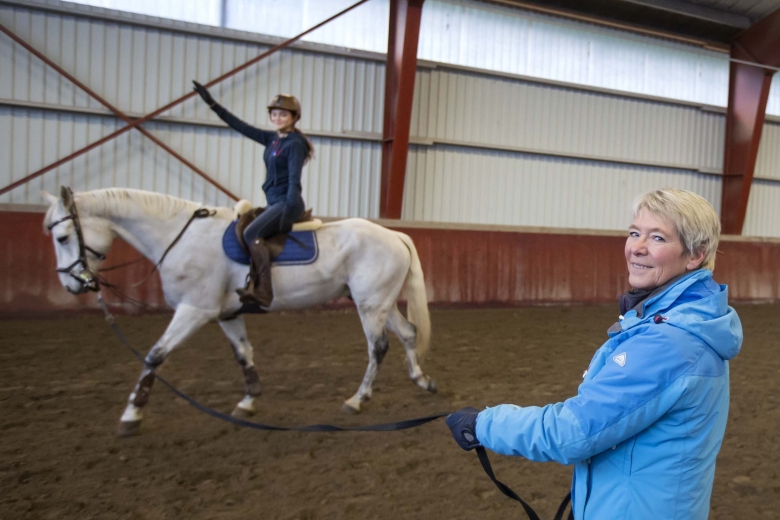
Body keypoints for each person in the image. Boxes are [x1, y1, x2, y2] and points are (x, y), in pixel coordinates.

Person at [446, 188, 743, 519]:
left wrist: (483, 424)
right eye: (635, 233)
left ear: (695, 255)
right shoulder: (682, 323)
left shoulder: (668, 343)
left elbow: (574, 430)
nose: (637, 247)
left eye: (658, 237)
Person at [192, 80, 313, 308]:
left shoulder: (296, 144)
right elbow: (240, 126)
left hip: (288, 202)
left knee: (251, 233)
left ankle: (263, 290)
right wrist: (212, 104)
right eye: (274, 114)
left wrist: (288, 207)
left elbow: (294, 178)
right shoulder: (273, 139)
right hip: (274, 202)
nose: (277, 118)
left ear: (294, 117)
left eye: (283, 114)